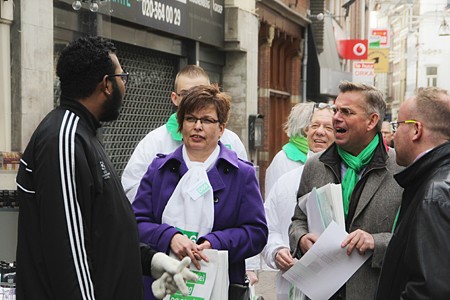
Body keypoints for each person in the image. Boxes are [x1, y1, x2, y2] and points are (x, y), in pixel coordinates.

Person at [15, 36, 196, 300]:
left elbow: (103, 230)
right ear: (107, 85)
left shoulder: (84, 133)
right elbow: (68, 252)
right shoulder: (63, 139)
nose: (126, 86)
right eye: (123, 77)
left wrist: (149, 260)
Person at [132, 84, 268, 300]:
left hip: (221, 287)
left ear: (221, 128)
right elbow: (136, 224)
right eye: (190, 119)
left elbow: (257, 233)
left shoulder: (241, 174)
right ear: (181, 124)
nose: (197, 126)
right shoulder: (159, 170)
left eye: (206, 120)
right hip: (162, 286)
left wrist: (215, 242)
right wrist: (170, 237)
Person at [289, 81, 404, 300]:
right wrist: (301, 238)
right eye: (335, 110)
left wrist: (375, 241)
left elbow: (413, 238)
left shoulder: (400, 169)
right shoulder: (315, 165)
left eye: (347, 112)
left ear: (372, 121)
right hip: (320, 292)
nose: (336, 117)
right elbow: (298, 220)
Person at [122, 65, 247, 203]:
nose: (194, 100)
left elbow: (245, 195)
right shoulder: (155, 141)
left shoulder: (231, 141)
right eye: (187, 94)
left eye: (202, 93)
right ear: (175, 98)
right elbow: (132, 189)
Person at [376, 87, 450, 299]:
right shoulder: (434, 182)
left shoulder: (436, 193)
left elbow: (431, 290)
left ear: (416, 130)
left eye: (397, 125)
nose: (394, 133)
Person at [261, 102, 335, 299]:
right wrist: (277, 251)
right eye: (315, 126)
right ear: (306, 131)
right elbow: (268, 227)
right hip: (289, 286)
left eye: (328, 127)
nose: (320, 132)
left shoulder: (347, 183)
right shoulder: (285, 182)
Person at [265, 103, 319, 198]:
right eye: (316, 125)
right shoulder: (282, 160)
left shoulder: (325, 155)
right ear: (306, 129)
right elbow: (275, 200)